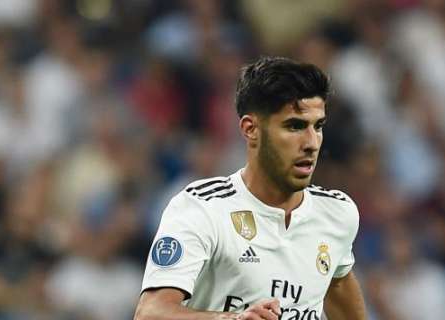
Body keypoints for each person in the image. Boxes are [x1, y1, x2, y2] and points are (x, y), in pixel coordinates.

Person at [134, 56, 366, 320]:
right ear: (250, 128)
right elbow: (150, 313)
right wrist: (230, 319)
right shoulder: (201, 209)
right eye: (295, 126)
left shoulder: (337, 213)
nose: (312, 142)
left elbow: (338, 284)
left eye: (318, 126)